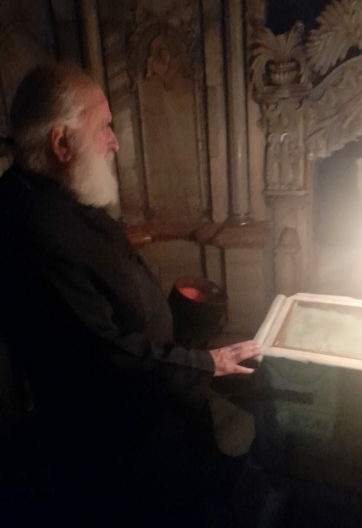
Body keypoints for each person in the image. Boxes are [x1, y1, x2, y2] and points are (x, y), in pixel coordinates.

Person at [0, 64, 261, 526]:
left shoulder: (56, 192)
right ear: (61, 143)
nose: (115, 142)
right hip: (115, 447)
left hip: (145, 413)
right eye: (104, 126)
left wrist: (173, 310)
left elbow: (107, 284)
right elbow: (102, 355)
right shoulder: (33, 228)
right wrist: (206, 364)